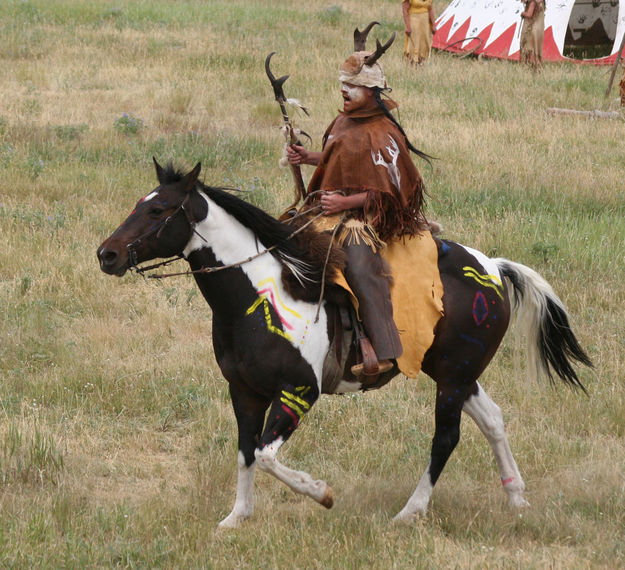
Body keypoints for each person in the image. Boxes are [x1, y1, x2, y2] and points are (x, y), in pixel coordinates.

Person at [286, 31, 429, 377]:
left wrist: (345, 201)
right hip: (326, 209)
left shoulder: (383, 133)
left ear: (372, 93)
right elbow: (342, 160)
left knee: (362, 267)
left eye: (352, 86)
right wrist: (309, 157)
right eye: (343, 84)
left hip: (363, 219)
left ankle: (383, 348)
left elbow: (391, 192)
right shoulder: (342, 122)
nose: (344, 91)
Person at [402, 0, 437, 65]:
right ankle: (411, 65)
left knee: (424, 45)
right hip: (414, 22)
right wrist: (408, 26)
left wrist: (433, 25)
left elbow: (430, 8)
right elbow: (405, 10)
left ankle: (421, 65)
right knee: (413, 45)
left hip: (425, 24)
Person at [520, 0, 546, 70]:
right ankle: (537, 66)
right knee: (536, 47)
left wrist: (523, 13)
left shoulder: (532, 2)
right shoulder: (540, 2)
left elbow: (529, 14)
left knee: (528, 46)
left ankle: (528, 65)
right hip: (539, 29)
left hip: (533, 30)